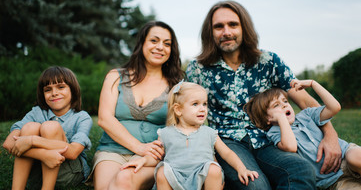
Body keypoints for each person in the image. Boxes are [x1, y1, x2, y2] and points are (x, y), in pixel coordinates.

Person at [185, 0, 342, 189]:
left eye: (233, 25)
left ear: (244, 27)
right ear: (210, 32)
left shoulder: (268, 61)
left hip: (268, 138)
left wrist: (330, 135)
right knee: (256, 185)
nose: (226, 32)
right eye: (219, 27)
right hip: (228, 143)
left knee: (301, 170)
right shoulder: (198, 69)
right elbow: (188, 113)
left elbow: (305, 100)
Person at [89, 21, 184, 190]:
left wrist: (152, 152)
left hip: (154, 156)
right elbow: (104, 119)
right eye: (154, 41)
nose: (160, 47)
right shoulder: (115, 76)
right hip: (112, 151)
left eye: (167, 43)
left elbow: (180, 128)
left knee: (124, 179)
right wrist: (139, 147)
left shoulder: (176, 87)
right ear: (142, 44)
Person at [122, 81, 259, 190]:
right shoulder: (166, 133)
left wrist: (242, 169)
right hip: (175, 178)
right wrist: (143, 161)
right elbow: (156, 157)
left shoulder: (209, 133)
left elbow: (227, 153)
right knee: (162, 171)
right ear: (178, 109)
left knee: (213, 169)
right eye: (195, 104)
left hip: (203, 179)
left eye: (204, 104)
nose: (202, 109)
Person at [245, 79, 361, 189]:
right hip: (333, 180)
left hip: (345, 155)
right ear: (267, 118)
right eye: (276, 105)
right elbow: (291, 146)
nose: (285, 105)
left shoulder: (306, 115)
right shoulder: (274, 133)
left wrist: (313, 84)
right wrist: (281, 118)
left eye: (285, 101)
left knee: (355, 158)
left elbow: (334, 107)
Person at [2, 66, 93, 190]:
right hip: (37, 174)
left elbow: (73, 152)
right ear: (42, 94)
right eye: (48, 89)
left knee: (50, 127)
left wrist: (31, 140)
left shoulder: (82, 117)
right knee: (29, 127)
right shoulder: (36, 112)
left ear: (73, 90)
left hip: (68, 174)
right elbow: (8, 143)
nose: (54, 93)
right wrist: (44, 155)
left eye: (61, 87)